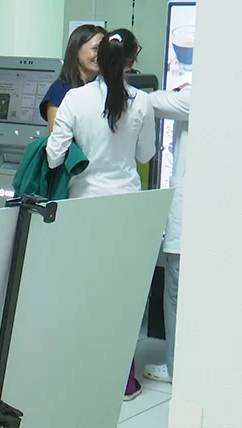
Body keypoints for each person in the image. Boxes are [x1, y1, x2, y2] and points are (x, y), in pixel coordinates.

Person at [45, 29, 155, 400]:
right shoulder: (142, 102)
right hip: (126, 209)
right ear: (132, 61)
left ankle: (78, 372)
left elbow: (54, 155)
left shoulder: (74, 98)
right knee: (121, 295)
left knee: (83, 292)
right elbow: (144, 155)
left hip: (84, 209)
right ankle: (123, 381)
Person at [143, 84, 191, 384]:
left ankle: (177, 369)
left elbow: (152, 103)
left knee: (175, 295)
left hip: (188, 222)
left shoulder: (199, 95)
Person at [40, 24, 106, 132]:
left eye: (104, 50)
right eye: (95, 49)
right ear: (76, 51)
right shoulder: (60, 89)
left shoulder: (105, 87)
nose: (100, 55)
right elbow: (56, 138)